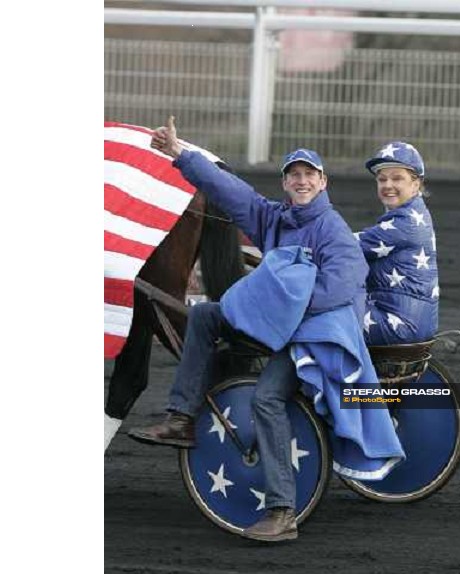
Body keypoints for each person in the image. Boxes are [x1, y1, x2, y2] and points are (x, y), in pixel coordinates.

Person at [128, 116, 368, 542]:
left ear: (323, 182)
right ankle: (181, 417)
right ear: (285, 183)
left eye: (308, 175)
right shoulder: (273, 218)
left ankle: (282, 512)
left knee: (267, 398)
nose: (300, 181)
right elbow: (230, 191)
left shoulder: (333, 232)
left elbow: (338, 288)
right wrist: (181, 153)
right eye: (293, 175)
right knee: (204, 315)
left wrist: (275, 312)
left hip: (314, 336)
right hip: (277, 326)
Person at [355, 141, 439, 346]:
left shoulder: (406, 223)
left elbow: (345, 245)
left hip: (400, 324)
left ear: (416, 183)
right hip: (408, 318)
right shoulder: (412, 214)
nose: (387, 185)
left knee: (320, 318)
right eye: (382, 179)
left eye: (397, 178)